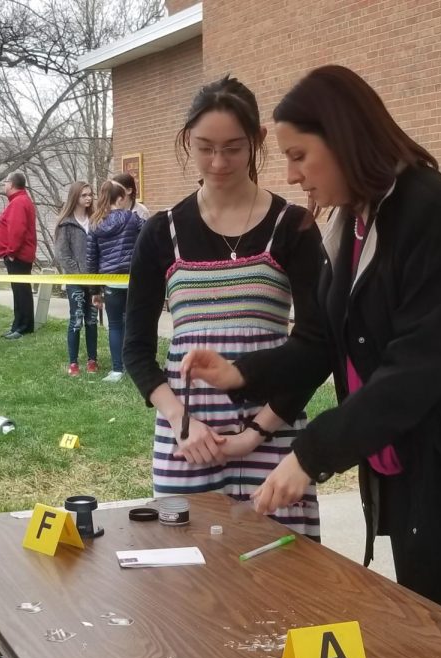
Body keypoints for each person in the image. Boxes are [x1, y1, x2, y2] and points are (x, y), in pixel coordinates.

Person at [180, 65, 441, 638]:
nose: (292, 176)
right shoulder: (353, 222)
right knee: (431, 636)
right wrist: (240, 373)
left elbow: (415, 370)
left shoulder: (438, 216)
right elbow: (324, 339)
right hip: (425, 478)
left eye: (299, 155)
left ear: (343, 139)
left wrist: (310, 454)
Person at [123, 76, 324, 539]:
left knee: (281, 574)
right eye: (205, 147)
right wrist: (180, 421)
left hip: (274, 434)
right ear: (187, 141)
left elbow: (315, 346)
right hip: (187, 440)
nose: (218, 162)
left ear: (256, 142)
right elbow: (135, 349)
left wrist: (257, 432)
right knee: (187, 580)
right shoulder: (160, 233)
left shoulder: (292, 226)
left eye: (233, 148)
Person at [87, 180, 143, 382]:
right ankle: (133, 365)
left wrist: (94, 290)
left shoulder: (95, 223)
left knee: (115, 325)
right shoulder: (132, 218)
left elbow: (91, 258)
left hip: (110, 281)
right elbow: (149, 236)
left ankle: (117, 369)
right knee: (131, 322)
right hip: (132, 279)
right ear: (120, 198)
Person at [55, 181, 97, 376]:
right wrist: (79, 274)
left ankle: (92, 360)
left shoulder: (96, 220)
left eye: (90, 194)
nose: (88, 198)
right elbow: (63, 254)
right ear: (75, 198)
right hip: (75, 280)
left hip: (95, 280)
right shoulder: (66, 224)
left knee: (92, 320)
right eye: (84, 195)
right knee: (77, 320)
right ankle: (73, 362)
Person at [0, 172, 37, 339]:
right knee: (19, 291)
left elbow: (17, 230)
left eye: (6, 182)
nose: (4, 185)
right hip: (18, 254)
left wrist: (11, 252)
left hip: (18, 255)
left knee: (21, 291)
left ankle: (24, 326)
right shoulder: (19, 201)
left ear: (11, 184)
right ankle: (18, 324)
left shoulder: (19, 202)